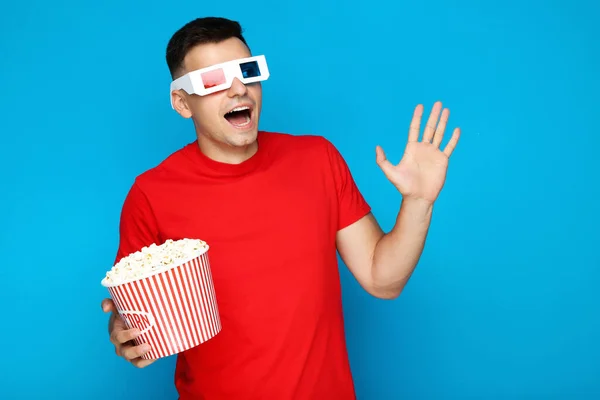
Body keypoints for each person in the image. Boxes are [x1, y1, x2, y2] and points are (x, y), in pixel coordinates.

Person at [100, 16, 460, 399]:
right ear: (182, 102)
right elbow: (134, 314)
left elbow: (382, 279)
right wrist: (126, 332)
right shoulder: (152, 194)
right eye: (212, 80)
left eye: (247, 71)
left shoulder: (317, 160)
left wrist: (418, 202)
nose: (239, 89)